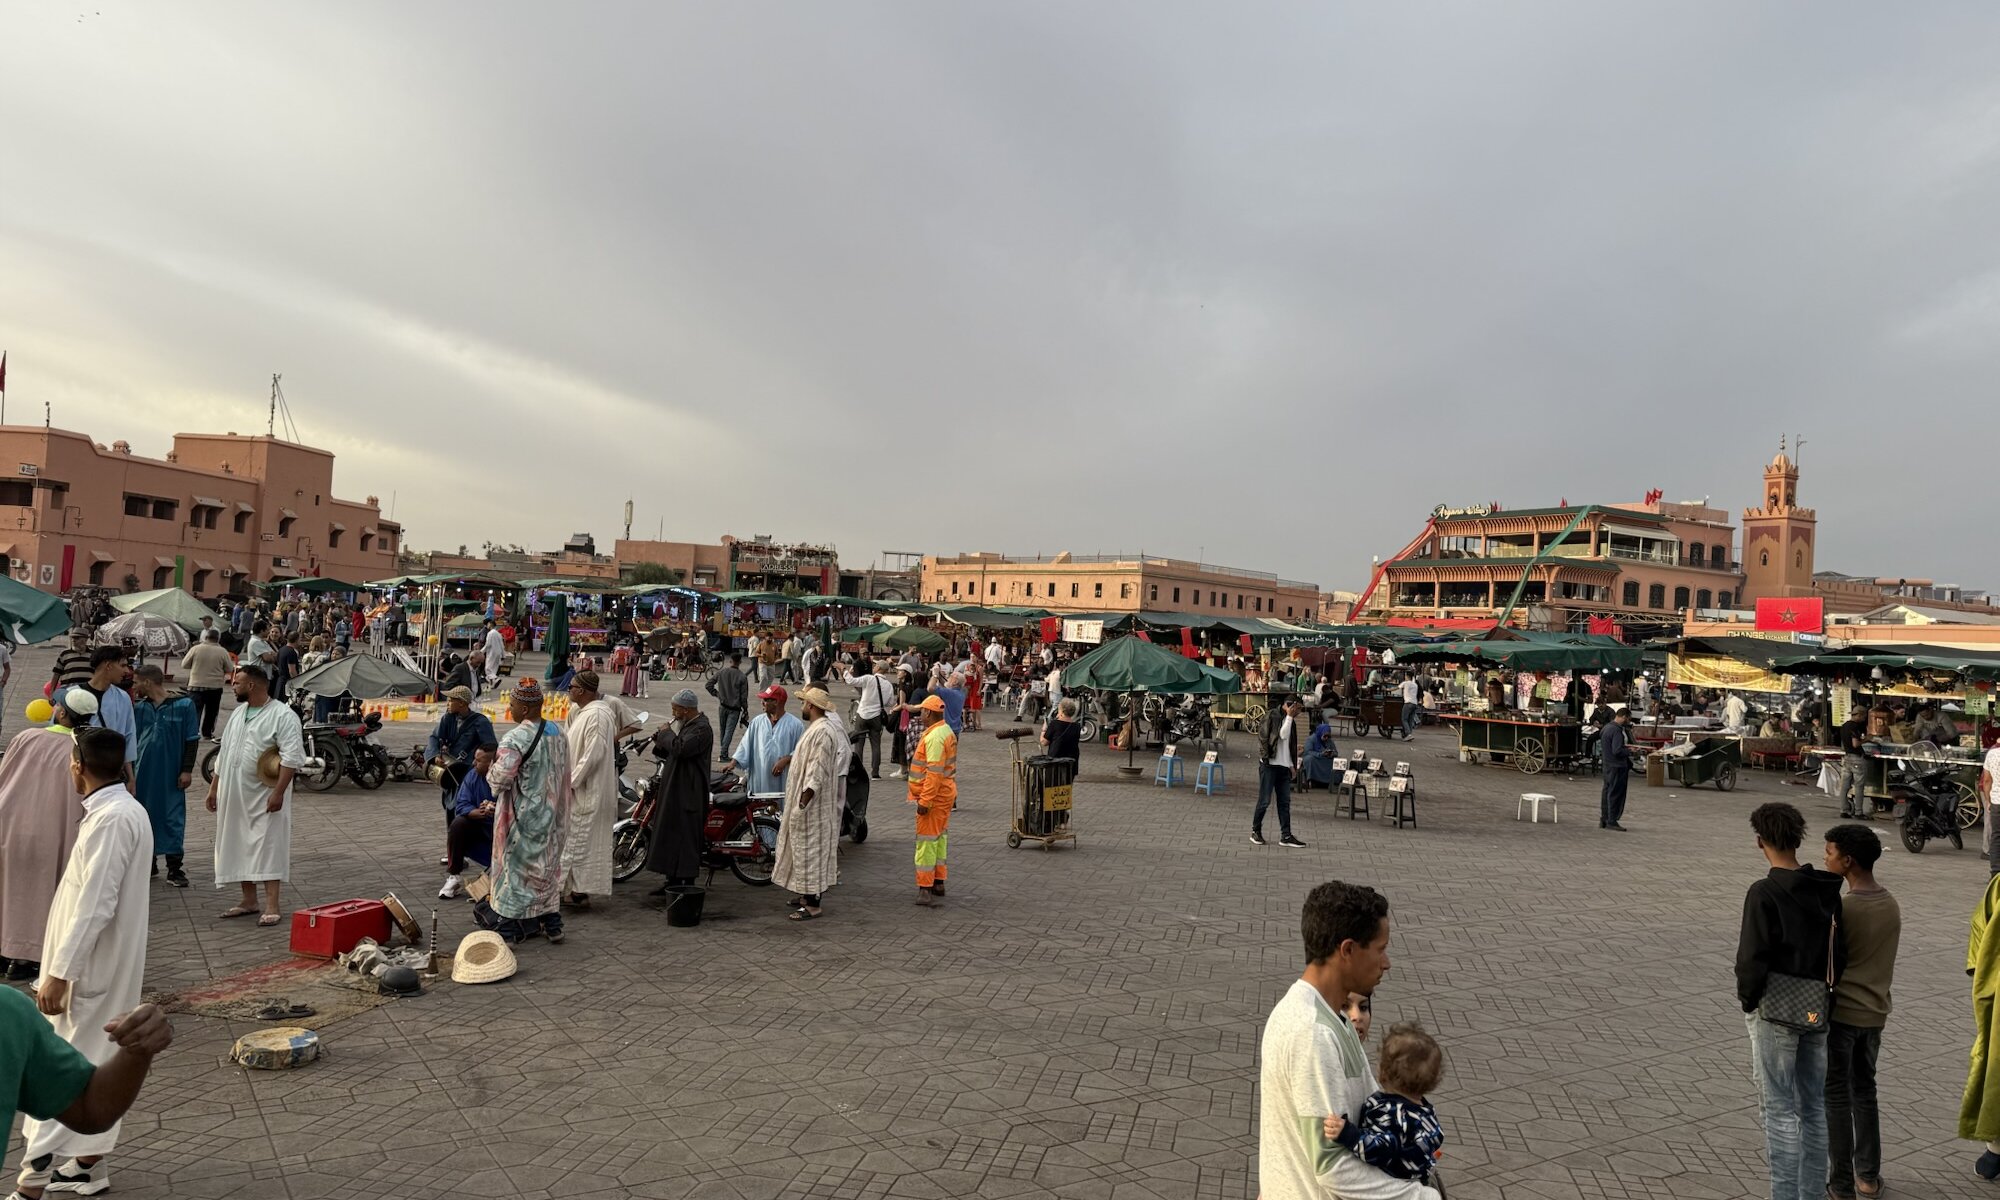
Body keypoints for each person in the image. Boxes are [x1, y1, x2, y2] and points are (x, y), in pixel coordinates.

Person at [12, 728, 152, 1199]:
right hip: (101, 969)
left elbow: (96, 904)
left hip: (87, 973)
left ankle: (30, 1183)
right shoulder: (120, 810)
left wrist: (58, 973)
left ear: (77, 767)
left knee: (62, 1076)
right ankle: (87, 1166)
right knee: (93, 1066)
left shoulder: (113, 819)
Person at [1258, 880, 1436, 1200]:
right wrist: (1421, 1197)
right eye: (1380, 949)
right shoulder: (1312, 1032)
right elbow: (1332, 1166)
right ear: (1348, 950)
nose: (1387, 962)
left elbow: (1373, 1109)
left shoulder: (1330, 1018)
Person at [1736, 802, 1845, 1200]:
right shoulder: (1828, 891)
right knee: (1813, 1107)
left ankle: (1784, 1194)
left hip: (1775, 1009)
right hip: (1817, 1006)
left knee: (1778, 1110)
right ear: (1799, 839)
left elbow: (1752, 958)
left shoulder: (1764, 892)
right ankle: (1812, 1193)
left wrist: (1748, 1000)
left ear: (1760, 841)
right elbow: (1840, 952)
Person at [1821, 823, 1899, 1200]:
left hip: (1843, 1017)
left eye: (1830, 853)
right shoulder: (1889, 902)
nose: (1826, 858)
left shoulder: (1846, 907)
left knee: (1836, 1095)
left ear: (1848, 861)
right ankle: (1867, 1176)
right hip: (1875, 1015)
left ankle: (1839, 1183)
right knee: (1864, 1091)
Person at [0, 691, 97, 983]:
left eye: (57, 705)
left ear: (64, 713)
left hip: (13, 826)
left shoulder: (27, 738)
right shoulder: (86, 749)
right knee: (47, 894)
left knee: (10, 890)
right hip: (60, 832)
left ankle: (6, 951)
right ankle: (29, 957)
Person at [207, 662, 307, 927]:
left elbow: (292, 758)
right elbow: (225, 753)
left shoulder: (283, 716)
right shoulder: (239, 713)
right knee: (238, 841)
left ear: (251, 685)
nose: (233, 686)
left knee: (268, 845)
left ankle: (272, 905)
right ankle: (248, 900)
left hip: (265, 795)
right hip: (234, 792)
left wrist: (278, 793)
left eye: (237, 683)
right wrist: (214, 787)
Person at [483, 680, 574, 945]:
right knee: (546, 869)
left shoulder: (514, 738)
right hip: (554, 814)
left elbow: (499, 782)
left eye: (511, 706)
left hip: (522, 819)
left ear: (524, 708)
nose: (509, 710)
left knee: (516, 872)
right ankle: (552, 924)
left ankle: (508, 930)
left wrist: (489, 770)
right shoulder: (558, 731)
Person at [1321, 1023, 1447, 1194]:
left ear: (1383, 1074)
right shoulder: (1426, 1112)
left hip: (1392, 1186)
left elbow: (1380, 1149)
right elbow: (1437, 1138)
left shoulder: (1391, 1112)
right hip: (1419, 1180)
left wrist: (1349, 1135)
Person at [773, 686, 848, 922]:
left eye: (804, 703)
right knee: (801, 851)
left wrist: (803, 802)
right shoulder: (817, 728)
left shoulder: (824, 732)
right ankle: (805, 894)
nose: (802, 706)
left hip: (812, 807)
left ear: (812, 707)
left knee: (811, 852)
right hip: (805, 803)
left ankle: (813, 903)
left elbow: (817, 770)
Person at [130, 666, 199, 889]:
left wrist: (187, 769)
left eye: (137, 682)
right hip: (142, 773)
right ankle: (148, 863)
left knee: (172, 816)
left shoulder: (184, 705)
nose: (135, 686)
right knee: (143, 816)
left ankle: (175, 867)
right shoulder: (139, 709)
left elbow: (191, 739)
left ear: (148, 683)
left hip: (171, 773)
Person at [560, 671, 621, 910]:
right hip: (580, 789)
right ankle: (570, 890)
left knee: (578, 843)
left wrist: (572, 782)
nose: (569, 691)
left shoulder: (596, 714)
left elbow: (593, 753)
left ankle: (577, 892)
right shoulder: (586, 713)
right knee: (575, 842)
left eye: (571, 687)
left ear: (582, 691)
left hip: (587, 791)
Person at [644, 689, 712, 892]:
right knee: (671, 833)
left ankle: (685, 882)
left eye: (675, 709)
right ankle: (671, 880)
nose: (673, 713)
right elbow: (673, 749)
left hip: (689, 791)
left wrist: (666, 733)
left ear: (685, 710)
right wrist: (660, 740)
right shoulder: (688, 725)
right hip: (676, 789)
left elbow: (682, 749)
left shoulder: (702, 729)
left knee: (685, 836)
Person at [427, 686, 498, 837]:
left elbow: (490, 747)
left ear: (462, 703)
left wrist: (478, 763)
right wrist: (436, 756)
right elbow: (435, 738)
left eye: (451, 700)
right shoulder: (448, 718)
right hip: (451, 770)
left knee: (465, 807)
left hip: (469, 772)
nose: (448, 703)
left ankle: (468, 846)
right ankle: (453, 848)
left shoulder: (480, 721)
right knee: (450, 807)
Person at [908, 694, 957, 906]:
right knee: (939, 839)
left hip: (934, 798)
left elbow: (933, 773)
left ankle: (925, 888)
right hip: (945, 795)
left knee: (927, 842)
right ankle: (938, 882)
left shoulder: (935, 737)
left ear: (928, 712)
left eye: (922, 711)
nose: (920, 715)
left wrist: (925, 801)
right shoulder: (945, 731)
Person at [438, 748, 495, 899]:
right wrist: (476, 812)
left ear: (492, 763)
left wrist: (498, 809)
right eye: (474, 759)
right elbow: (462, 803)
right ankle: (454, 876)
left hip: (503, 828)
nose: (473, 763)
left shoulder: (509, 778)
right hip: (480, 826)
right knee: (458, 824)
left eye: (478, 760)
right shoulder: (472, 776)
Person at [1253, 695, 1306, 849]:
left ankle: (1286, 835)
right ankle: (1255, 830)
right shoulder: (1272, 716)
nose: (1298, 713)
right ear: (1289, 706)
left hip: (1283, 767)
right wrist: (1265, 758)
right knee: (1264, 801)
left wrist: (1291, 765)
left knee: (1284, 803)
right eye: (1297, 709)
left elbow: (1289, 745)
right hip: (1269, 765)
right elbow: (1279, 736)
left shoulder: (1292, 722)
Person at [735, 684, 805, 800]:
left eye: (766, 700)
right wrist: (733, 762)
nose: (762, 702)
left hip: (782, 782)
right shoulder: (757, 722)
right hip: (760, 779)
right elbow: (745, 745)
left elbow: (803, 750)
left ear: (776, 702)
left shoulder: (796, 725)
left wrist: (786, 759)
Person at [80, 647, 138, 772]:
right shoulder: (72, 695)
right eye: (122, 665)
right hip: (80, 767)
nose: (127, 671)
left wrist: (130, 775)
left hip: (112, 770)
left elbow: (129, 735)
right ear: (108, 665)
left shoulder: (123, 698)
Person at [845, 660, 898, 780]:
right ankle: (875, 773)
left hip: (862, 714)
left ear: (878, 667)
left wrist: (844, 670)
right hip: (876, 716)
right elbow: (890, 702)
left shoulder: (869, 679)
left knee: (859, 744)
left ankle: (858, 771)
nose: (873, 667)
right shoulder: (888, 685)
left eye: (875, 665)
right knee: (876, 745)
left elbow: (851, 681)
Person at [180, 630, 233, 741]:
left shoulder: (195, 649)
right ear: (218, 638)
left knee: (194, 711)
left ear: (206, 637)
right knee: (211, 712)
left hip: (195, 685)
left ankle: (192, 733)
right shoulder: (222, 651)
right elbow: (229, 668)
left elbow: (184, 665)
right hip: (214, 687)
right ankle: (207, 733)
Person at [706, 653, 749, 763]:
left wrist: (717, 694)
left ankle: (723, 753)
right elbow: (743, 697)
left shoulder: (722, 672)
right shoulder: (742, 677)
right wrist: (745, 709)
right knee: (729, 732)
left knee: (723, 731)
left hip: (722, 706)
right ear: (740, 662)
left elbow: (708, 685)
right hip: (734, 709)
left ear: (730, 661)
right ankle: (723, 754)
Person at [1600, 707, 1634, 831]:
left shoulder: (1606, 728)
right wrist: (1629, 751)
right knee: (1615, 794)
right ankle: (1612, 820)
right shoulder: (1616, 731)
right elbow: (1617, 750)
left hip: (1607, 765)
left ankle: (1604, 818)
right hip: (1617, 766)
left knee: (1607, 792)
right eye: (1628, 719)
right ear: (1624, 717)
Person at [1836, 708, 1870, 821]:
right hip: (1857, 759)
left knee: (1844, 786)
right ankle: (1859, 812)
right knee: (1859, 786)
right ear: (1859, 715)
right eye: (1864, 716)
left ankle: (1843, 810)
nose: (1864, 718)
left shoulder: (1844, 726)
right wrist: (1867, 739)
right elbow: (1855, 744)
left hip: (1846, 758)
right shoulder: (1855, 727)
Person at [48, 630, 95, 695]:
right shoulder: (64, 654)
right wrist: (52, 692)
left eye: (77, 638)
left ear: (85, 640)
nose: (73, 640)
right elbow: (56, 674)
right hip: (68, 691)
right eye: (72, 638)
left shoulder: (93, 654)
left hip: (87, 692)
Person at [1041, 697, 1082, 763]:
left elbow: (1044, 742)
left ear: (1062, 711)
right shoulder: (1077, 726)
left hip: (1056, 760)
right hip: (1071, 761)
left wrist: (1044, 729)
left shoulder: (1055, 724)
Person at [1302, 722, 1339, 791]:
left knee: (1337, 762)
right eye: (1325, 736)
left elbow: (1336, 752)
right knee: (1309, 759)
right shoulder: (1311, 739)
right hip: (1316, 758)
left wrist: (1331, 754)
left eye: (1328, 736)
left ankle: (1333, 781)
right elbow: (1308, 751)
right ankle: (1309, 780)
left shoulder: (1329, 741)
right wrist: (1320, 754)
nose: (1326, 738)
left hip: (1326, 759)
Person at [482, 619, 506, 689]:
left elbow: (488, 644)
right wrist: (503, 654)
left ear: (490, 624)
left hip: (492, 653)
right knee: (494, 669)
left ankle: (496, 679)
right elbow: (502, 645)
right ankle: (491, 684)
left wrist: (481, 651)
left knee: (488, 668)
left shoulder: (490, 633)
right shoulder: (498, 634)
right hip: (498, 653)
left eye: (488, 624)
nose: (487, 625)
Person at [1399, 672, 1422, 739]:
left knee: (1404, 719)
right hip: (1414, 703)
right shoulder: (1415, 685)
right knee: (1410, 720)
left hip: (1408, 703)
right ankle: (1410, 734)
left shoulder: (1405, 683)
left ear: (1407, 676)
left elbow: (1396, 688)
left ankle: (1408, 734)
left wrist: (1387, 689)